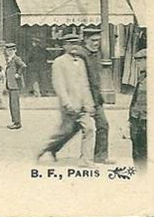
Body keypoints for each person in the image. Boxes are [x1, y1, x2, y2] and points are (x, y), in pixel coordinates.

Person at [38, 33, 96, 166]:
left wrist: (89, 103)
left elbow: (85, 84)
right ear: (64, 46)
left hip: (82, 104)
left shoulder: (81, 62)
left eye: (77, 44)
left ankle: (86, 160)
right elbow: (59, 85)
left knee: (89, 129)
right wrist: (67, 103)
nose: (74, 47)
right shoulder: (59, 62)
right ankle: (43, 149)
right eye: (70, 44)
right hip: (69, 105)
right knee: (64, 132)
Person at [78, 28, 112, 163]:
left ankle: (100, 157)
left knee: (103, 125)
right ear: (85, 40)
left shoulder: (97, 54)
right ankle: (84, 158)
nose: (96, 43)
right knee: (79, 130)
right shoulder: (81, 55)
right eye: (93, 40)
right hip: (83, 98)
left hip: (96, 99)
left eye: (98, 40)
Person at [128, 48, 146, 171]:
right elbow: (135, 99)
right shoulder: (141, 77)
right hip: (137, 119)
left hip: (146, 120)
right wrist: (130, 119)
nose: (137, 64)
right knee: (137, 151)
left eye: (139, 61)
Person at [4, 42, 27, 130]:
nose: (9, 52)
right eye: (8, 50)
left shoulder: (16, 58)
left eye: (11, 50)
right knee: (12, 104)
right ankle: (14, 121)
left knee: (14, 104)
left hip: (15, 85)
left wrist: (18, 74)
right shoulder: (10, 59)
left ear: (15, 50)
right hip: (11, 85)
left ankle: (17, 123)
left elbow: (23, 66)